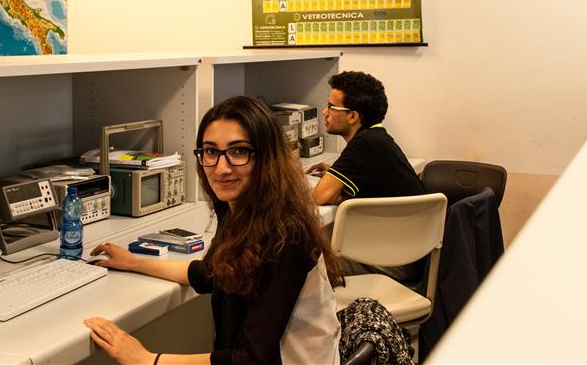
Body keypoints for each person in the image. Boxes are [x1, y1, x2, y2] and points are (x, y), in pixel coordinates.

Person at [84, 96, 344, 365]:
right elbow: (211, 274)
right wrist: (134, 262)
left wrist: (147, 360)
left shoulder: (286, 235)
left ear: (266, 157)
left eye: (239, 151)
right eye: (210, 151)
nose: (221, 168)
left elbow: (250, 360)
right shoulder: (240, 210)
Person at [306, 71, 425, 280]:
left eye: (332, 107)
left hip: (396, 263)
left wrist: (333, 189)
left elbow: (319, 197)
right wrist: (336, 178)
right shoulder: (378, 138)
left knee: (305, 259)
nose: (325, 112)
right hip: (411, 253)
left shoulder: (362, 144)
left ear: (353, 116)